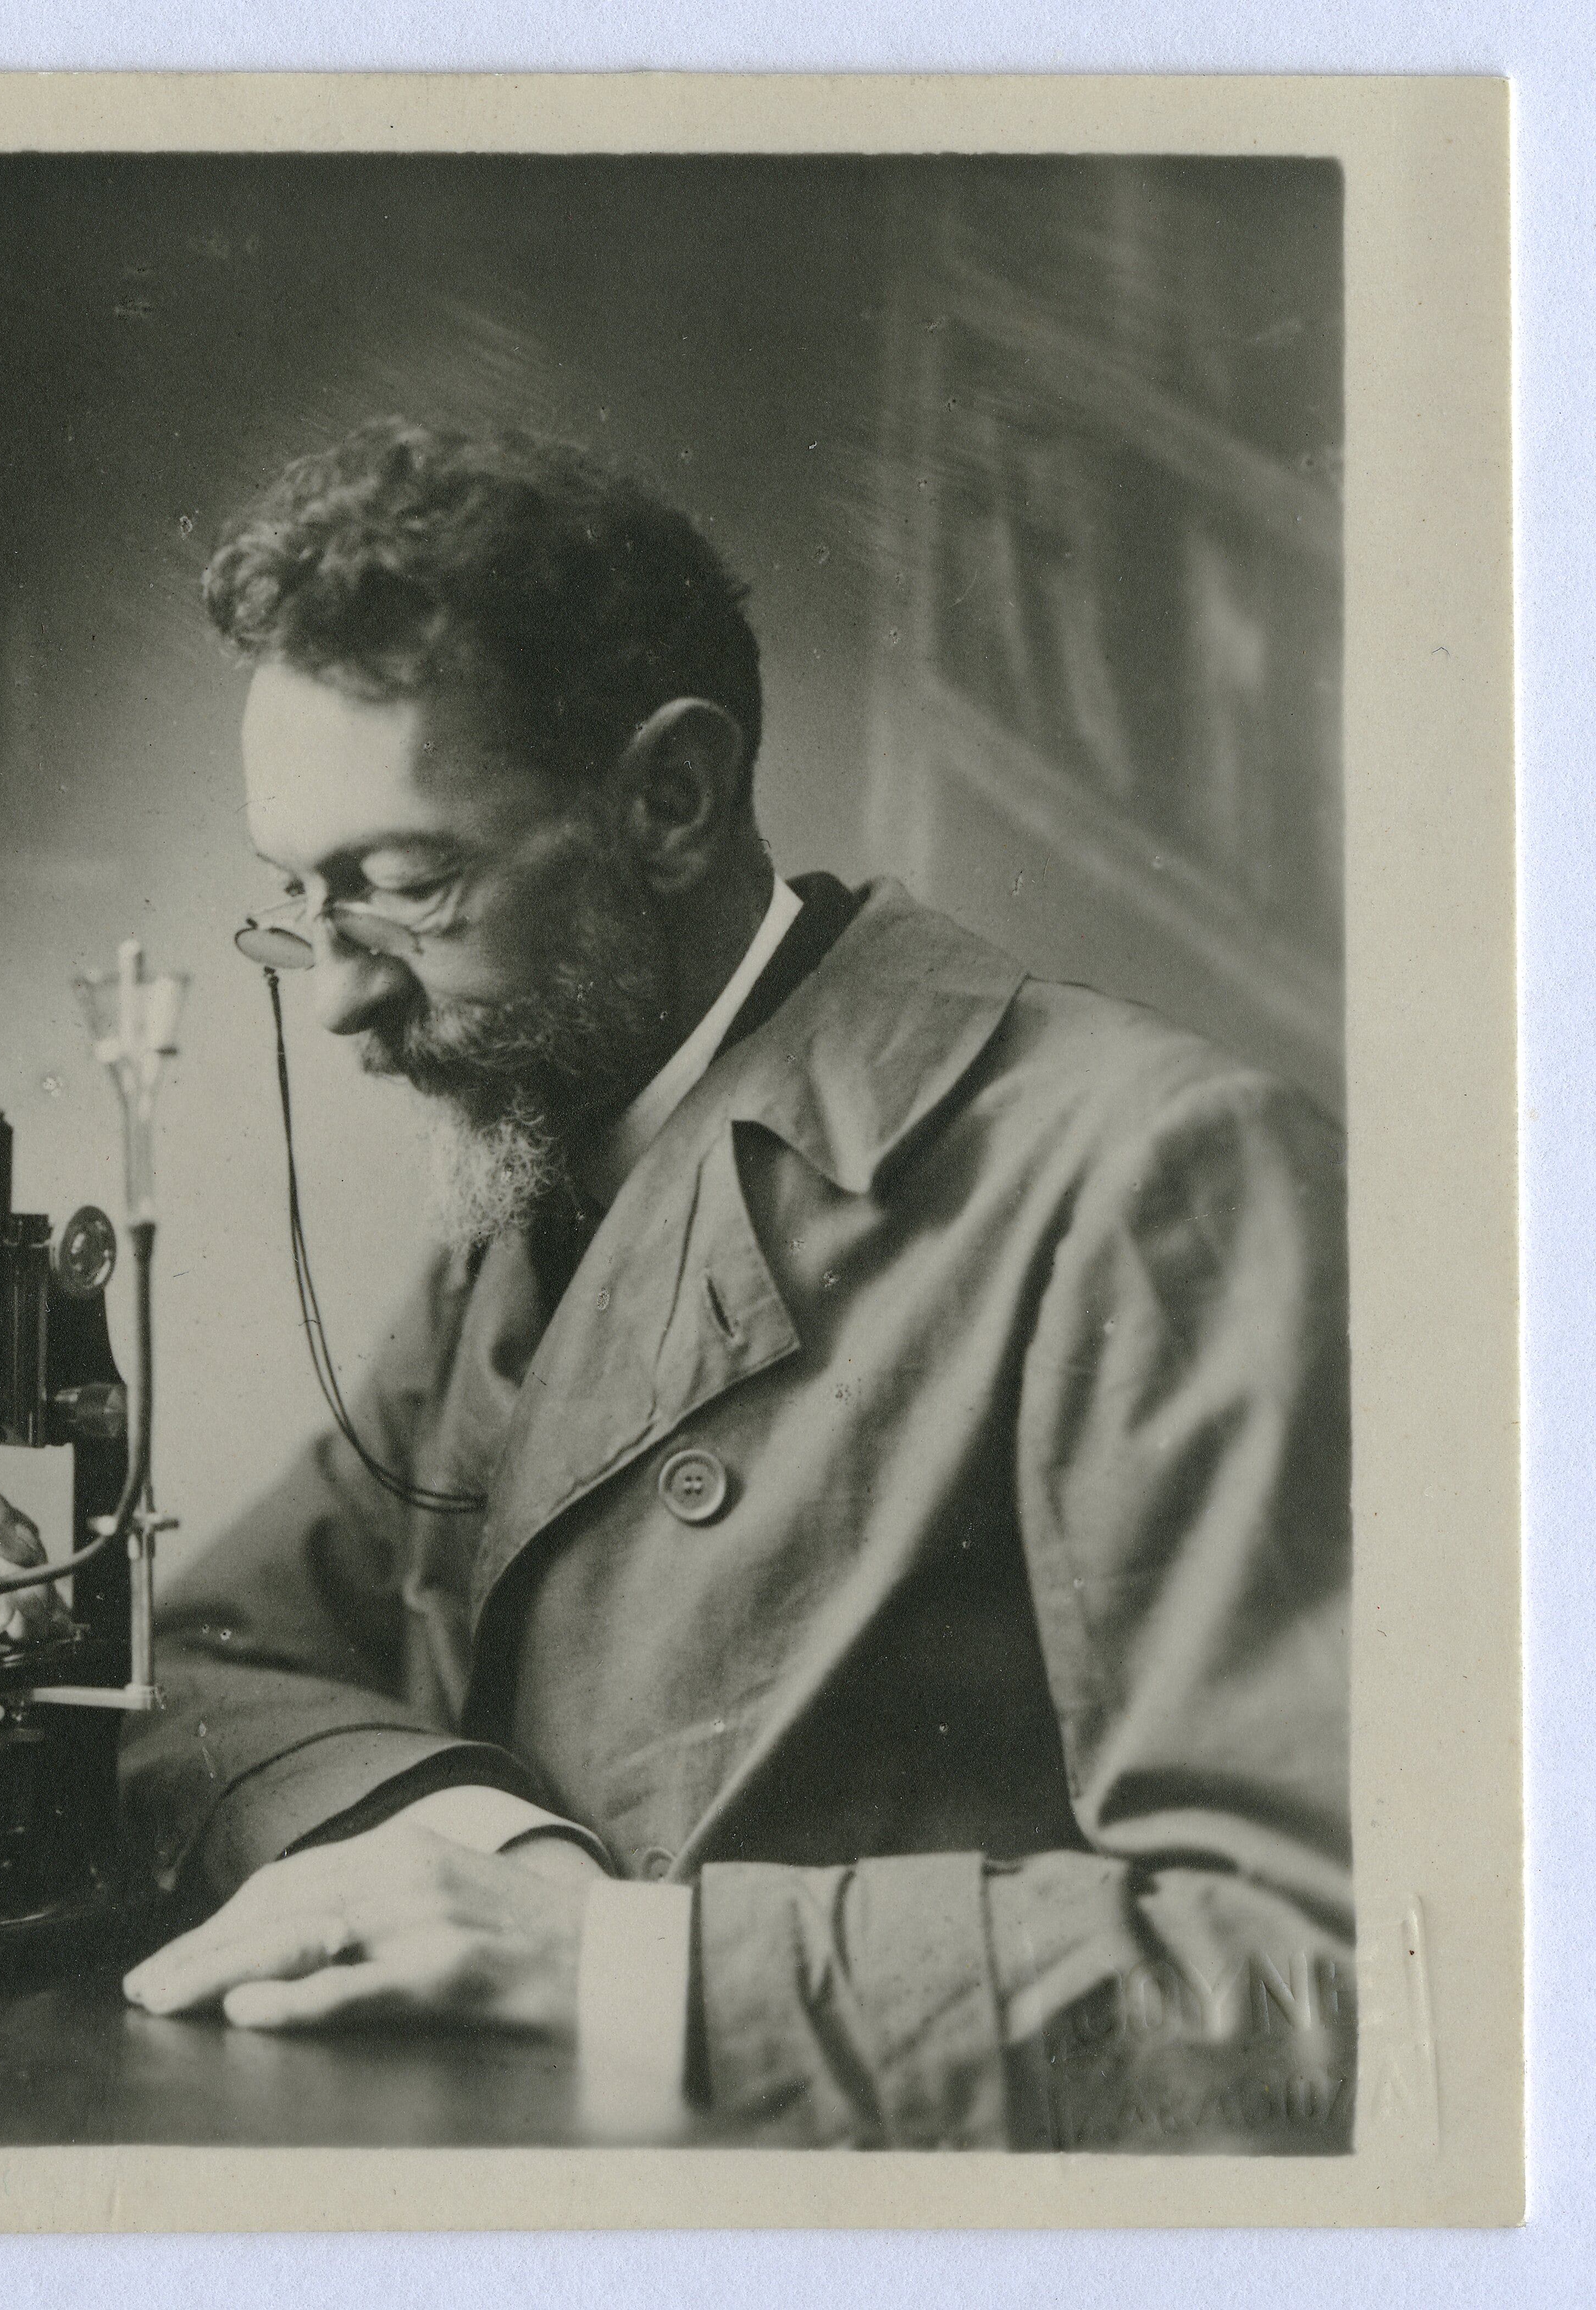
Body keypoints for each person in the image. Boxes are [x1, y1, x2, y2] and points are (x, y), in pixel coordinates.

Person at [116, 420, 1353, 2149]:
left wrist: (626, 1964)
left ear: (672, 800)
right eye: (300, 902)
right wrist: (486, 1844)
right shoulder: (539, 1180)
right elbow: (196, 1663)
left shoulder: (1152, 1170)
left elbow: (1322, 1981)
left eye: (406, 888)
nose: (339, 998)